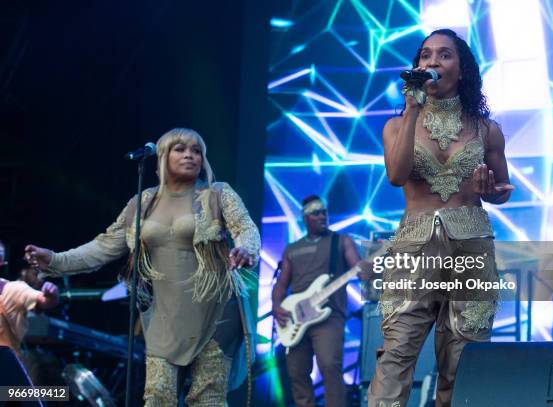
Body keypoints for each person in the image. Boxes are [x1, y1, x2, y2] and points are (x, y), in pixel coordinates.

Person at [24, 128, 261, 406]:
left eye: (196, 151)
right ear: (162, 155)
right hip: (166, 316)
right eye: (180, 149)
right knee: (157, 397)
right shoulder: (142, 203)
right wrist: (53, 259)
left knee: (207, 399)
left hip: (216, 314)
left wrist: (246, 248)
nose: (190, 155)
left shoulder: (218, 194)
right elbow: (102, 246)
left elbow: (246, 228)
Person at [367, 29, 514, 407]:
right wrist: (413, 108)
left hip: (472, 247)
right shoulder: (397, 126)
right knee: (397, 350)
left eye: (444, 55)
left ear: (462, 69)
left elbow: (502, 190)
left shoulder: (487, 130)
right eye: (425, 55)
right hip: (415, 246)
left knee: (463, 358)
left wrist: (492, 192)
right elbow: (397, 176)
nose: (432, 62)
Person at [272, 195, 362, 407]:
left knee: (330, 365)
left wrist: (368, 267)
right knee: (297, 372)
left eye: (324, 212)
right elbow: (281, 284)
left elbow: (359, 269)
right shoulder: (292, 249)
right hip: (295, 317)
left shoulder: (341, 241)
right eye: (316, 213)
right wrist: (277, 306)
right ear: (305, 218)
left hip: (329, 316)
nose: (322, 216)